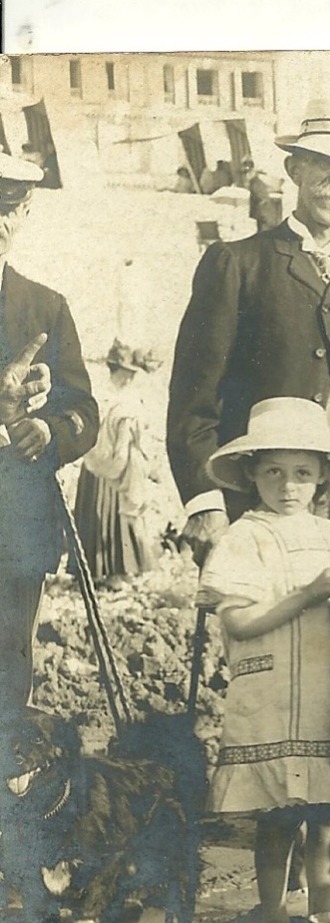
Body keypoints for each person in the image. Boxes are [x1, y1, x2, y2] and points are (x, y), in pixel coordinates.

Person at [168, 102, 330, 559]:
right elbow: (193, 398)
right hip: (254, 505)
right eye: (325, 163)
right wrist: (205, 502)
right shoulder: (237, 263)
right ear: (295, 169)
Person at [197, 398, 330, 923]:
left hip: (329, 697)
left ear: (324, 475)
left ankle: (323, 917)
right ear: (251, 472)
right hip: (270, 698)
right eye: (274, 471)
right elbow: (239, 620)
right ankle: (272, 920)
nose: (287, 485)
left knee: (326, 818)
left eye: (302, 472)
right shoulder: (242, 539)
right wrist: (307, 595)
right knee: (277, 817)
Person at [0, 152, 98, 716]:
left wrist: (47, 429)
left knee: (9, 670)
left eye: (7, 208)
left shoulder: (45, 307)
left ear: (26, 211)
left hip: (15, 526)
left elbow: (82, 408)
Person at [72, 341, 165, 581]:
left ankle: (109, 571)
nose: (130, 379)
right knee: (110, 516)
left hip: (96, 463)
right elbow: (123, 444)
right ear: (120, 371)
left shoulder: (101, 395)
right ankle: (113, 573)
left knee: (104, 515)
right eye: (128, 374)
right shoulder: (123, 402)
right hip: (113, 466)